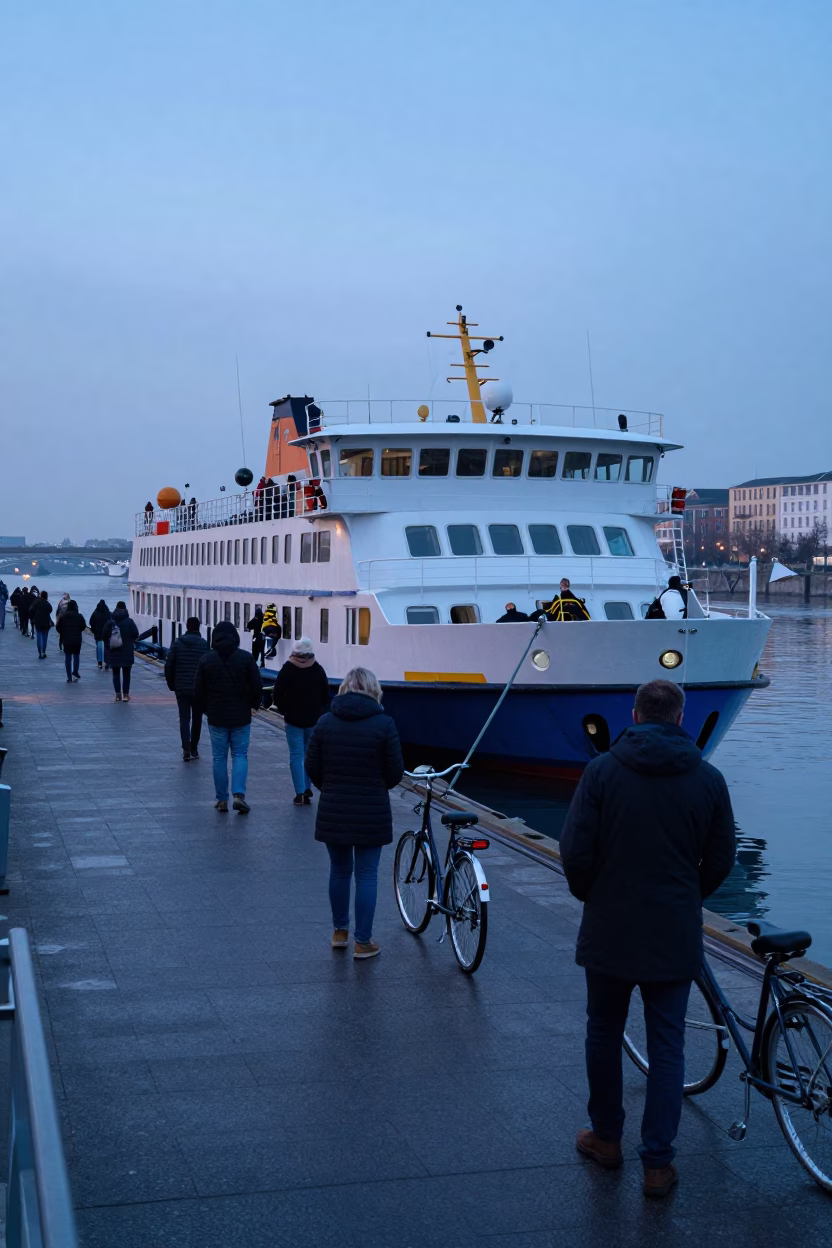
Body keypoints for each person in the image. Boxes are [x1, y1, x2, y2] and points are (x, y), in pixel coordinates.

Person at [559, 679, 736, 1198]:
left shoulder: (601, 772)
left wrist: (594, 893)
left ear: (634, 714)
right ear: (680, 718)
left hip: (611, 926)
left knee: (603, 1032)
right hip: (672, 932)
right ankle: (658, 1164)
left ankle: (606, 1138)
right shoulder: (708, 779)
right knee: (668, 1045)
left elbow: (575, 851)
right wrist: (687, 896)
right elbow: (722, 856)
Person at [305, 666, 404, 959]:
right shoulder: (384, 724)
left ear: (345, 688)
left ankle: (339, 932)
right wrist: (376, 786)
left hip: (334, 807)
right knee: (367, 875)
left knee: (339, 871)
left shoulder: (325, 722)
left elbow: (312, 767)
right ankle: (363, 942)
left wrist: (330, 787)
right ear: (374, 690)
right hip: (371, 809)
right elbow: (395, 772)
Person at [193, 620, 262, 813]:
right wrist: (253, 706)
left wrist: (207, 709)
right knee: (240, 755)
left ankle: (222, 799)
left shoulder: (206, 659)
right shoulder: (246, 658)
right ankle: (239, 795)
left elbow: (198, 691)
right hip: (241, 716)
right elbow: (257, 686)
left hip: (216, 716)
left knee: (219, 757)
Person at [274, 637, 330, 804]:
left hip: (293, 719)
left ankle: (300, 792)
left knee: (296, 755)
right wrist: (318, 711)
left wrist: (285, 710)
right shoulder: (318, 669)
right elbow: (325, 695)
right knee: (309, 755)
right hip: (313, 719)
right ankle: (307, 787)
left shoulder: (288, 669)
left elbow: (277, 694)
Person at [164, 617, 209, 761]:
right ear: (198, 627)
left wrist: (172, 684)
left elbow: (168, 666)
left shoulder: (177, 643)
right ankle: (194, 748)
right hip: (198, 688)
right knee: (197, 718)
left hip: (181, 687)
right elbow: (208, 667)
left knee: (184, 718)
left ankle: (186, 749)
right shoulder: (204, 645)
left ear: (186, 627)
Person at [102, 601, 139, 701]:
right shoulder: (129, 622)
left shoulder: (111, 621)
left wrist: (108, 644)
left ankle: (118, 695)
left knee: (115, 673)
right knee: (126, 673)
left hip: (114, 650)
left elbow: (104, 634)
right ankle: (126, 695)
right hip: (127, 651)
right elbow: (136, 633)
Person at [55, 600, 87, 682]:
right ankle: (75, 671)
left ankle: (69, 676)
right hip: (77, 639)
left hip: (67, 640)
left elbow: (58, 627)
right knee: (76, 655)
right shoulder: (79, 616)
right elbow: (83, 626)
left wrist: (63, 633)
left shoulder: (63, 616)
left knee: (68, 657)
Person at [89, 599, 112, 669]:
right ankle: (107, 661)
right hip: (107, 634)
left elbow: (91, 623)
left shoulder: (95, 613)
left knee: (99, 648)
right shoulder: (108, 613)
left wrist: (93, 631)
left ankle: (100, 663)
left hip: (98, 633)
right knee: (106, 647)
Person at [30, 591, 54, 658]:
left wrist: (33, 617)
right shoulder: (47, 604)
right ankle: (43, 651)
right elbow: (50, 610)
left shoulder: (36, 603)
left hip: (38, 622)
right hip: (46, 623)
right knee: (44, 638)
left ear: (41, 596)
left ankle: (40, 652)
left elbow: (31, 609)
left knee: (39, 637)